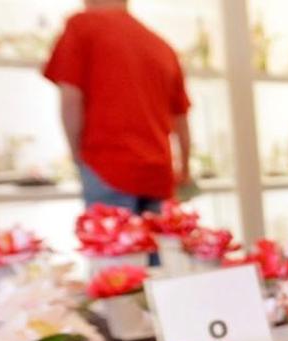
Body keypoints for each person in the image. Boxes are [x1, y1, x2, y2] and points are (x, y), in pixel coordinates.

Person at [44, 0, 192, 214]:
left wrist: (77, 154)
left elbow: (71, 98)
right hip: (158, 173)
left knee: (113, 240)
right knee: (157, 243)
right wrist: (185, 168)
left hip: (107, 166)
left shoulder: (83, 26)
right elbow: (181, 120)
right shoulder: (162, 47)